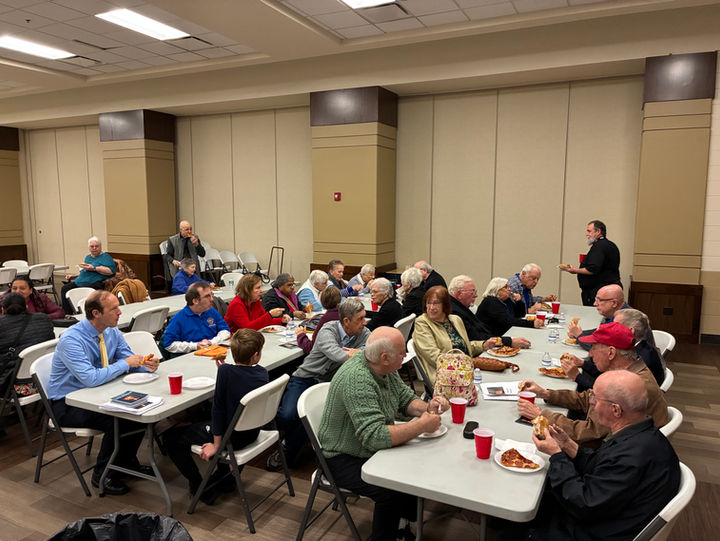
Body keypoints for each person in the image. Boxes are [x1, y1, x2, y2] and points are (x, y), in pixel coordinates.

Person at [318, 327, 450, 541]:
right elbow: (374, 437)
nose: (405, 356)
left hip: (364, 446)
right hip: (340, 457)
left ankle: (401, 526)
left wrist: (427, 407)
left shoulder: (383, 367)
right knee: (391, 488)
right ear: (384, 357)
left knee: (416, 464)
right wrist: (422, 426)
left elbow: (404, 398)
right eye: (401, 353)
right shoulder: (357, 379)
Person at [523, 370, 680, 541]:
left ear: (616, 410)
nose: (591, 402)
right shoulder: (641, 435)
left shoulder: (631, 457)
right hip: (608, 514)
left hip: (590, 531)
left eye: (595, 399)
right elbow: (602, 465)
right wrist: (568, 445)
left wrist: (556, 455)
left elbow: (583, 505)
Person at [47, 290, 160, 495]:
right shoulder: (72, 339)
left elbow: (128, 358)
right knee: (121, 418)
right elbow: (91, 378)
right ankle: (103, 474)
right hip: (68, 402)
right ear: (96, 313)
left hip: (99, 392)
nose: (120, 312)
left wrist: (146, 365)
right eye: (114, 308)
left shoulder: (111, 331)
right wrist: (126, 364)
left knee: (142, 409)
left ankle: (125, 463)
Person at [161, 329, 269, 505]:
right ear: (256, 355)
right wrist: (225, 372)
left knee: (169, 438)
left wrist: (216, 445)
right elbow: (238, 379)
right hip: (251, 432)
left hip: (232, 437)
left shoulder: (226, 371)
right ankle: (226, 479)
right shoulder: (262, 373)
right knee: (205, 418)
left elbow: (218, 410)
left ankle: (198, 485)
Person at [517, 322, 668, 448]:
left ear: (611, 353)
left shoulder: (627, 386)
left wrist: (542, 416)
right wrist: (546, 394)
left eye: (594, 347)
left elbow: (589, 433)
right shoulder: (627, 371)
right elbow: (588, 398)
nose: (590, 354)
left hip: (610, 453)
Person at [270, 299, 370, 470]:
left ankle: (288, 447)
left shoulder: (364, 332)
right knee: (287, 415)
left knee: (310, 417)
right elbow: (336, 353)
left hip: (329, 384)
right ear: (346, 321)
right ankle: (297, 438)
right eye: (360, 319)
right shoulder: (328, 329)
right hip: (306, 377)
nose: (365, 322)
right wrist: (356, 353)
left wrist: (360, 352)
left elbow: (370, 351)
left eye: (364, 317)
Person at [563, 308, 665, 391]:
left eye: (615, 325)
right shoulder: (639, 347)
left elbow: (608, 393)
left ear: (630, 331)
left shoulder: (640, 358)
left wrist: (577, 376)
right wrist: (582, 363)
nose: (610, 327)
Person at [412, 286, 494, 386]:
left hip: (466, 370)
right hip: (444, 378)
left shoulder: (455, 319)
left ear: (445, 305)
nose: (431, 307)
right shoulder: (422, 323)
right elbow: (434, 356)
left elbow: (464, 347)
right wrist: (465, 363)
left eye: (436, 303)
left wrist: (483, 345)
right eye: (428, 303)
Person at [0, 293, 55, 421]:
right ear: (26, 307)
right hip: (46, 380)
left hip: (17, 388)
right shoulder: (43, 319)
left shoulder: (2, 325)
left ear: (2, 309)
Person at [449, 275, 531, 350]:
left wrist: (519, 302)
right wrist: (509, 342)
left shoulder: (461, 307)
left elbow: (519, 316)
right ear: (459, 294)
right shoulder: (455, 311)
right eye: (472, 292)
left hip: (491, 340)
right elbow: (476, 337)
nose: (476, 295)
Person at [567, 284, 655, 350]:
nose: (595, 304)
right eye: (595, 299)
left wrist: (579, 335)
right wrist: (580, 333)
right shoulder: (615, 314)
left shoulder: (625, 321)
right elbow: (600, 332)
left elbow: (603, 350)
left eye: (599, 300)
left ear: (614, 303)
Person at [560, 220, 621, 306]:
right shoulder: (611, 245)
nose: (587, 234)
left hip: (599, 292)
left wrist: (574, 270)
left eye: (589, 231)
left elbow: (593, 269)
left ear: (598, 231)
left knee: (596, 313)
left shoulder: (599, 246)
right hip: (610, 290)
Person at [163, 282, 231, 354]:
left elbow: (225, 331)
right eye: (207, 296)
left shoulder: (212, 312)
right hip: (192, 355)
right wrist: (195, 346)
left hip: (214, 350)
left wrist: (211, 342)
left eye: (212, 295)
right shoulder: (178, 319)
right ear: (195, 301)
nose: (212, 299)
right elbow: (169, 345)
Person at [60, 237, 116, 314]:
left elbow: (111, 271)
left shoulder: (106, 257)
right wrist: (74, 276)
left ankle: (83, 311)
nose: (94, 248)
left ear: (100, 246)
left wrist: (95, 268)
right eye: (92, 246)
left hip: (96, 283)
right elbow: (85, 271)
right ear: (89, 248)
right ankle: (68, 314)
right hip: (81, 281)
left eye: (96, 246)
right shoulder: (88, 257)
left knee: (81, 291)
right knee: (65, 288)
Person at [476, 277, 542, 337]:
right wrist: (531, 324)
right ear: (497, 290)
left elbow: (520, 315)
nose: (509, 289)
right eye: (506, 287)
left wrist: (519, 301)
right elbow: (507, 321)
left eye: (509, 287)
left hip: (505, 333)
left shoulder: (506, 300)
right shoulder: (491, 302)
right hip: (490, 337)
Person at [224, 274, 289, 333]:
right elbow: (247, 328)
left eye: (261, 287)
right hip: (236, 339)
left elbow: (264, 322)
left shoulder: (255, 301)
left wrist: (281, 321)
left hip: (250, 336)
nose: (261, 290)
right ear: (247, 290)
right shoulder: (236, 305)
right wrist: (270, 315)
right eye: (258, 288)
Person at [296, 286, 341, 355]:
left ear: (322, 302)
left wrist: (301, 335)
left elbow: (310, 348)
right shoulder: (344, 313)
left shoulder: (326, 318)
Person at [0, 275, 64, 319]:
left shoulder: (41, 298)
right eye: (14, 288)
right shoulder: (2, 301)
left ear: (31, 290)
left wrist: (38, 318)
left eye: (22, 288)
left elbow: (60, 313)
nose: (18, 291)